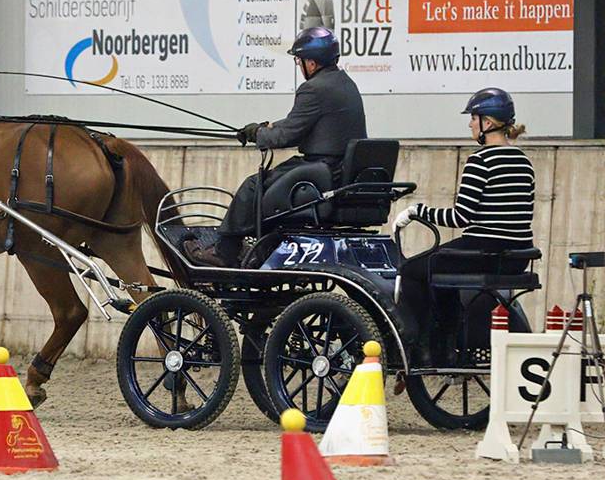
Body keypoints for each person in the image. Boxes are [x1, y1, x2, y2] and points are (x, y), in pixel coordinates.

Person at [184, 26, 366, 267]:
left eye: (299, 61)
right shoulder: (345, 84)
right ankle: (263, 247)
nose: (300, 66)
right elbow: (300, 123)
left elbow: (287, 136)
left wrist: (258, 134)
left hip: (320, 173)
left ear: (311, 63)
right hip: (339, 172)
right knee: (271, 185)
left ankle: (225, 251)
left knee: (254, 186)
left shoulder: (313, 89)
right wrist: (265, 129)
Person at [395, 87, 533, 363]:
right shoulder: (523, 161)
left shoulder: (480, 161)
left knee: (412, 270)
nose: (470, 124)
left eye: (473, 118)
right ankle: (446, 343)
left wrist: (417, 211)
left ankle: (425, 348)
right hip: (518, 256)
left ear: (488, 123)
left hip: (484, 250)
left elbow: (460, 217)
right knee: (440, 266)